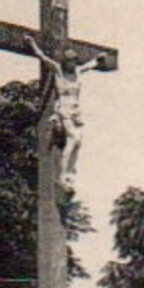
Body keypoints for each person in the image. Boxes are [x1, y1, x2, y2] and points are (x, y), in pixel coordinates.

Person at [25, 38, 104, 189]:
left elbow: (91, 65)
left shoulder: (78, 71)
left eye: (74, 61)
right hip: (64, 108)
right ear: (64, 61)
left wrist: (99, 59)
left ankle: (70, 175)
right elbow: (42, 57)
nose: (72, 64)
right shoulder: (58, 70)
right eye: (69, 61)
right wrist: (32, 43)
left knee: (78, 141)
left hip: (76, 110)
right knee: (73, 138)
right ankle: (62, 176)